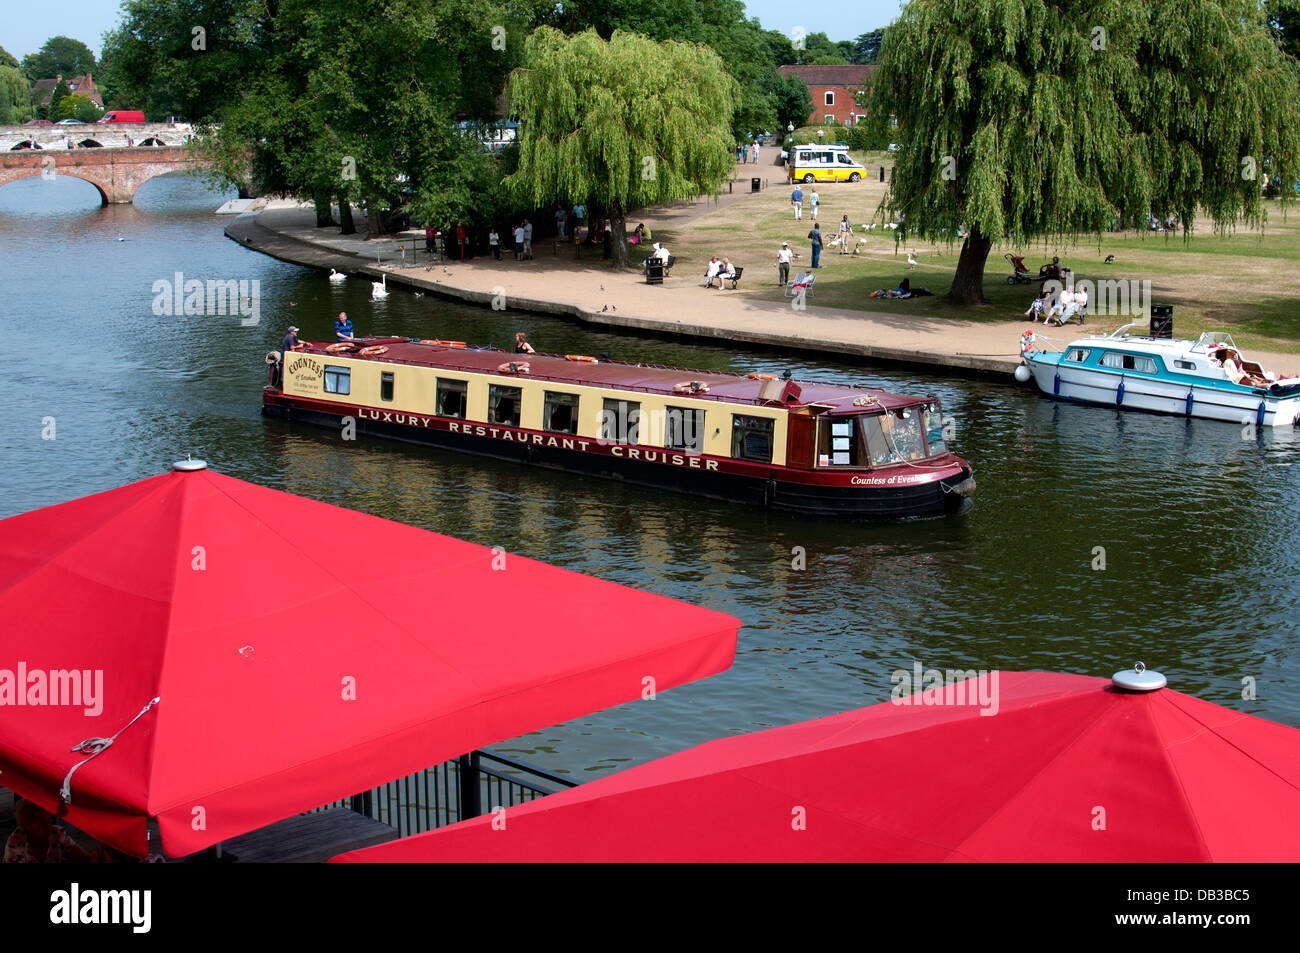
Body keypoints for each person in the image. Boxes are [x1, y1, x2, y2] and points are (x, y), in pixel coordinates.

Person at [4, 797, 99, 863]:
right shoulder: (16, 841)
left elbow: (81, 857)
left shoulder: (56, 833)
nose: (48, 826)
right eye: (42, 823)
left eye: (49, 819)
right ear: (28, 825)